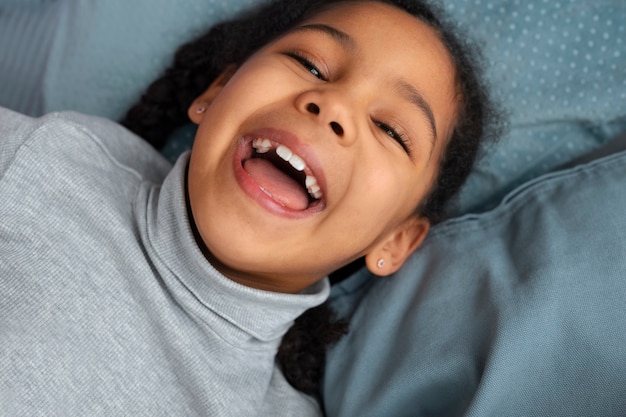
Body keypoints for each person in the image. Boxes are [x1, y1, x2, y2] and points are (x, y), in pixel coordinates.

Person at [0, 0, 498, 415]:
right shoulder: (45, 159)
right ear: (216, 92)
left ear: (395, 242)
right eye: (311, 64)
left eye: (391, 130)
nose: (334, 106)